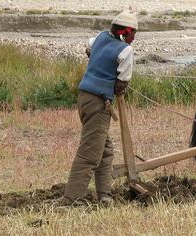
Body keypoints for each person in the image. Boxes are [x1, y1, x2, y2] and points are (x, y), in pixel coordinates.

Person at [56, 10, 137, 206]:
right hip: (99, 104)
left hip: (84, 98)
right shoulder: (125, 51)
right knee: (90, 153)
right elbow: (121, 83)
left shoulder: (100, 38)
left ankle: (105, 195)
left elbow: (89, 49)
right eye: (134, 34)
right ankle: (70, 200)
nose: (133, 38)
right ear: (126, 33)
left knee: (105, 148)